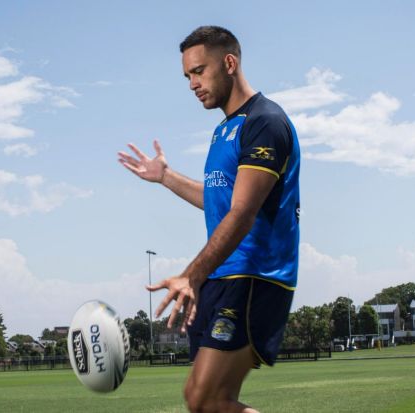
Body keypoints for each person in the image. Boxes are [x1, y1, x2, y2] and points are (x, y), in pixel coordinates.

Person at [118, 26, 300, 413]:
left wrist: (191, 275)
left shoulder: (265, 122)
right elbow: (220, 201)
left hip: (254, 277)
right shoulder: (224, 130)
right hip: (223, 277)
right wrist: (166, 177)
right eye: (187, 76)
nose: (192, 84)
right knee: (201, 400)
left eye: (199, 71)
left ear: (229, 63)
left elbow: (243, 212)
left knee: (208, 398)